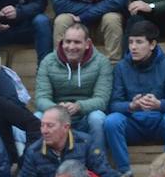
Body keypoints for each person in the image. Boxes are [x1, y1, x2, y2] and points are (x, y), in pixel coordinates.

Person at [103, 21, 165, 177]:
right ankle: (125, 172)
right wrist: (131, 106)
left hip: (160, 122)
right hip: (133, 124)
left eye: (139, 42)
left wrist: (159, 104)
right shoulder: (121, 67)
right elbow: (114, 104)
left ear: (152, 44)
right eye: (131, 42)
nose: (133, 47)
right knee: (111, 120)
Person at [17, 105, 120, 177]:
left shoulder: (86, 144)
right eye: (42, 125)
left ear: (66, 127)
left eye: (50, 126)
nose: (44, 131)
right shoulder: (33, 152)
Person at [35, 22, 113, 161]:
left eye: (77, 42)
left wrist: (79, 106)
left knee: (98, 117)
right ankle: (42, 162)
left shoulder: (101, 62)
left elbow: (102, 99)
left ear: (87, 43)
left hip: (85, 116)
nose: (71, 47)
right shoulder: (47, 62)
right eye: (68, 42)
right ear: (61, 42)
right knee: (37, 116)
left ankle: (99, 162)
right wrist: (57, 109)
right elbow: (41, 98)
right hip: (57, 116)